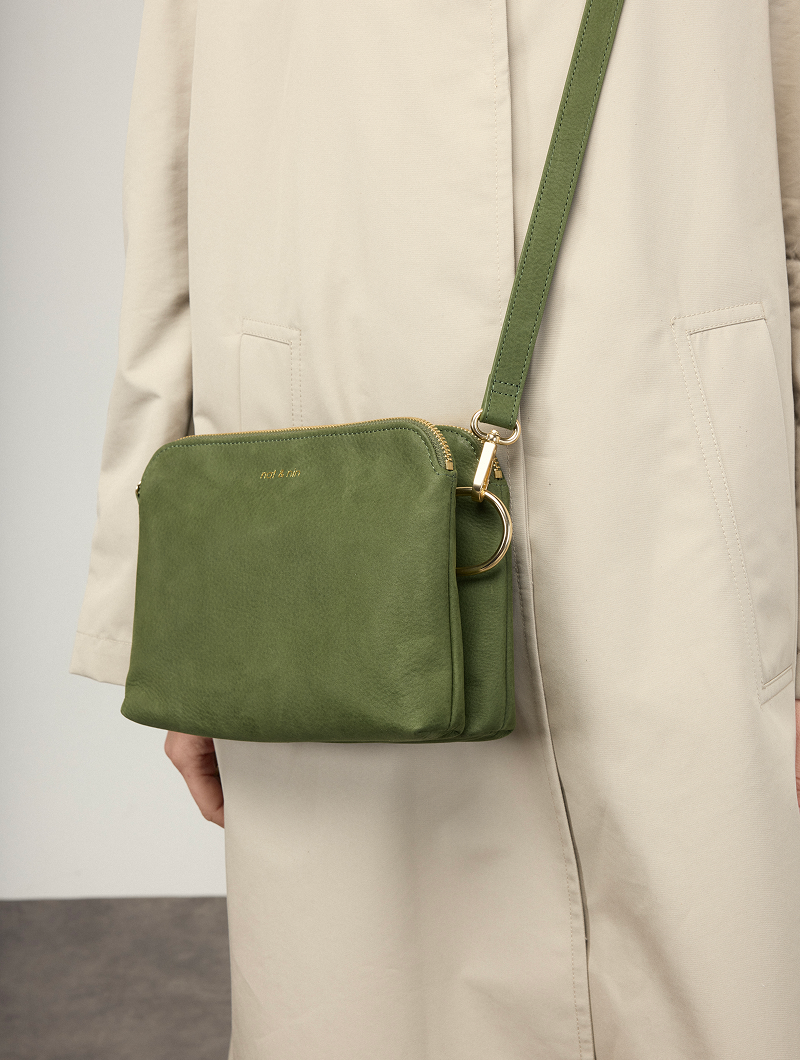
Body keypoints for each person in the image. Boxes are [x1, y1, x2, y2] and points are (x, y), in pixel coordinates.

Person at [71, 1, 800, 1057]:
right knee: (366, 996)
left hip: (670, 504)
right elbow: (172, 199)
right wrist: (170, 613)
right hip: (327, 517)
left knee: (695, 974)